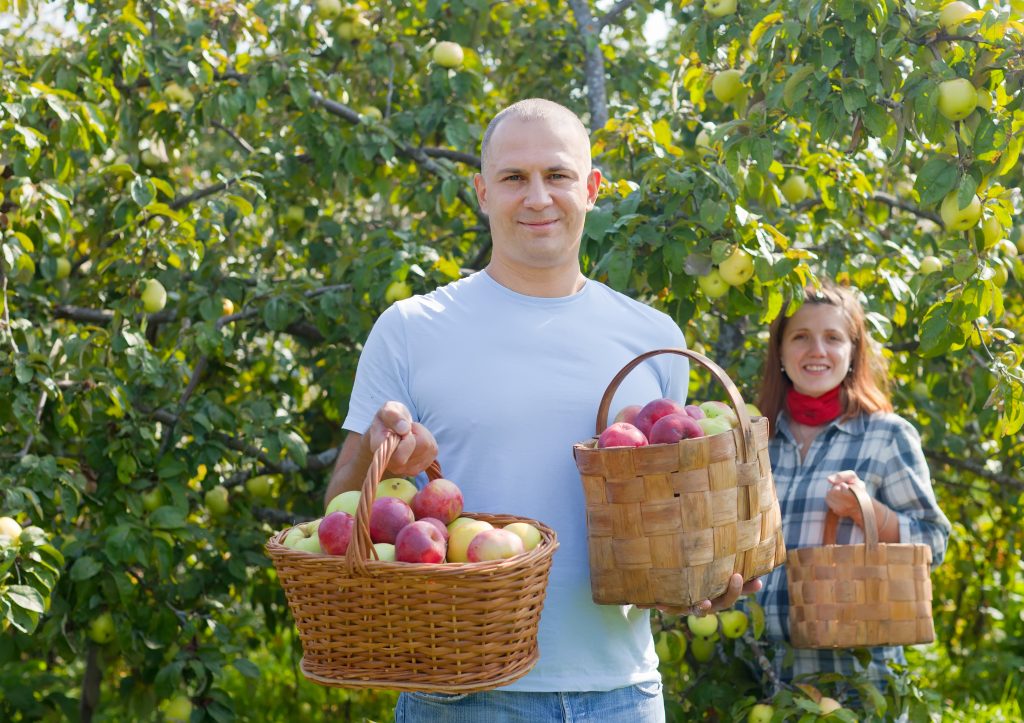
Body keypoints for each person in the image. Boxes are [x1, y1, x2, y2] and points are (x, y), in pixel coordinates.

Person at [325, 98, 760, 722]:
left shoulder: (652, 339)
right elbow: (340, 513)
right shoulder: (411, 328)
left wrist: (700, 580)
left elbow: (667, 523)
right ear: (481, 191)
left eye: (556, 175)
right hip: (456, 695)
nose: (536, 197)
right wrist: (382, 451)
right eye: (512, 178)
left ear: (591, 188)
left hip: (620, 694)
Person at [753, 280, 951, 690]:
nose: (817, 351)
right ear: (780, 352)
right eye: (801, 337)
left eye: (833, 338)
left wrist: (870, 513)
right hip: (757, 672)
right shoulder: (756, 442)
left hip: (856, 677)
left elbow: (935, 543)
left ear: (853, 351)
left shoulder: (886, 436)